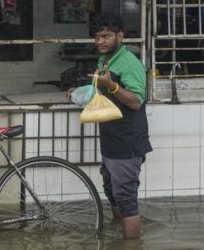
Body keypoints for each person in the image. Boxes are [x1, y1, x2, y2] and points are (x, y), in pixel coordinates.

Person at [67, 12, 152, 239]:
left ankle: (132, 244)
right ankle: (118, 235)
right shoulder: (105, 60)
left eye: (106, 36)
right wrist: (79, 92)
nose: (100, 41)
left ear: (120, 36)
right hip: (110, 139)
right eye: (97, 37)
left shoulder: (130, 63)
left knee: (126, 199)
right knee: (112, 192)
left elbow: (135, 101)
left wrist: (111, 85)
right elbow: (100, 90)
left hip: (127, 141)